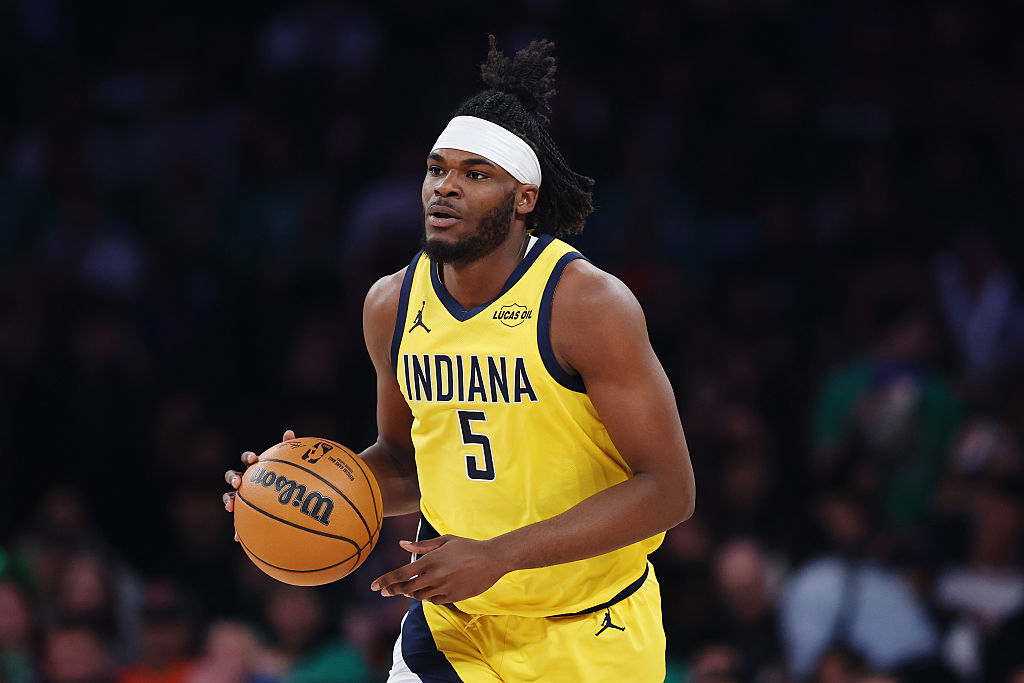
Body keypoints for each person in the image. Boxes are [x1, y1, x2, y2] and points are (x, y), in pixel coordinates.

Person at [224, 36, 695, 682]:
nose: (445, 187)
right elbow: (405, 463)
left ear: (524, 197)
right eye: (436, 169)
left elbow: (670, 489)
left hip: (590, 630)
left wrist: (499, 555)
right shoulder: (391, 304)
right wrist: (300, 489)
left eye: (475, 174)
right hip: (455, 630)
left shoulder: (585, 304)